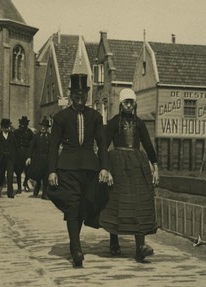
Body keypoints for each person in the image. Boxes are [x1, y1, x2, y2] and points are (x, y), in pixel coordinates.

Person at [47, 73, 109, 268]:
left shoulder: (95, 117)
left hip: (90, 169)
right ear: (71, 94)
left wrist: (105, 167)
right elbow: (53, 145)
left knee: (85, 206)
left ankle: (76, 244)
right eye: (77, 95)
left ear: (87, 94)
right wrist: (52, 170)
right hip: (67, 168)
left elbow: (102, 143)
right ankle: (76, 249)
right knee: (73, 206)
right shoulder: (60, 118)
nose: (80, 99)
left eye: (83, 95)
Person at [99, 88, 160, 263]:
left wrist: (156, 167)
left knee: (139, 202)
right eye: (125, 102)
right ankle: (114, 242)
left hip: (136, 165)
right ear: (120, 103)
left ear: (135, 103)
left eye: (131, 102)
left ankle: (140, 246)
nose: (128, 105)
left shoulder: (139, 123)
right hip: (117, 165)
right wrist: (106, 168)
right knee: (116, 201)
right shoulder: (113, 122)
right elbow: (103, 145)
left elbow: (148, 145)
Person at [26, 118, 51, 200]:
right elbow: (31, 147)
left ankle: (44, 194)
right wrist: (29, 157)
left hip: (47, 160)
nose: (43, 128)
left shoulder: (50, 137)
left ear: (47, 128)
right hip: (37, 159)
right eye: (42, 126)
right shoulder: (36, 137)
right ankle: (37, 186)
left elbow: (53, 149)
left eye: (45, 127)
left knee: (46, 177)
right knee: (38, 176)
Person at [0, 118, 16, 198]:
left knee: (10, 175)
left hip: (10, 158)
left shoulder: (12, 136)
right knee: (1, 174)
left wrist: (12, 154)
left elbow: (16, 147)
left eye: (8, 127)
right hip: (1, 158)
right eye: (5, 127)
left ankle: (10, 192)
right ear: (2, 127)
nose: (7, 128)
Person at [14, 116, 34, 193]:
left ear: (27, 124)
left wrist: (30, 154)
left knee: (28, 170)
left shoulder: (30, 132)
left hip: (27, 153)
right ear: (20, 124)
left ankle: (25, 183)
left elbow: (32, 144)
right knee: (18, 171)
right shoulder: (16, 132)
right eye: (22, 124)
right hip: (18, 154)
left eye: (24, 124)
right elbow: (14, 143)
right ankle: (19, 187)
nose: (23, 125)